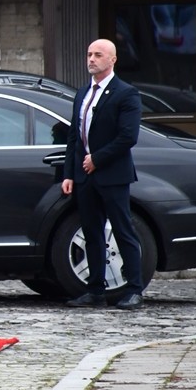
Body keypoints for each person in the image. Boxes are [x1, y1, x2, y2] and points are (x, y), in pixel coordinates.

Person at [61, 39, 145, 310]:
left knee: (122, 230)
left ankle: (134, 289)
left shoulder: (126, 93)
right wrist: (69, 173)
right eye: (89, 54)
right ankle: (95, 289)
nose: (92, 59)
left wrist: (97, 159)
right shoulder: (84, 92)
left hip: (112, 175)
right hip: (85, 177)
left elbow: (127, 137)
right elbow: (75, 136)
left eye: (98, 55)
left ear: (112, 60)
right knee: (91, 232)